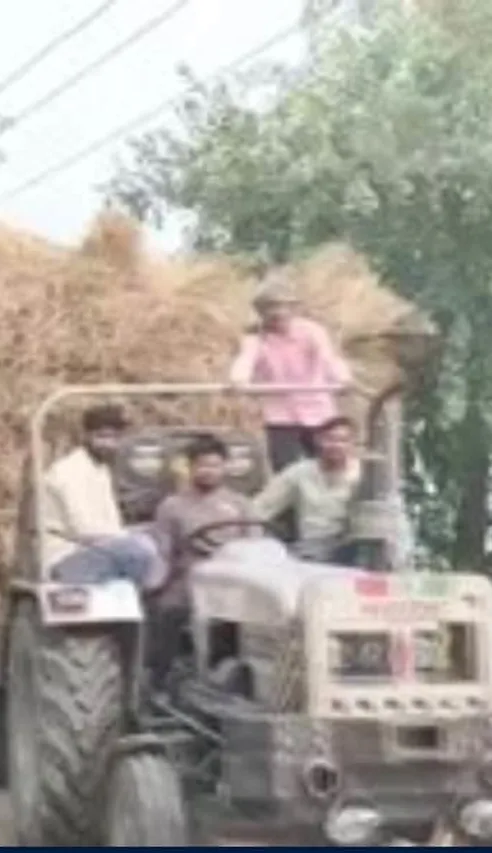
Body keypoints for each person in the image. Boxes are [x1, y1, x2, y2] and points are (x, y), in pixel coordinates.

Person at [145, 433, 257, 691]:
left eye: (215, 465)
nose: (209, 471)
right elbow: (163, 549)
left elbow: (254, 545)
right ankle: (160, 679)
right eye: (202, 465)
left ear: (225, 467)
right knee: (169, 611)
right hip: (189, 575)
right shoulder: (172, 506)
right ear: (191, 467)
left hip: (234, 577)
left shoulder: (240, 504)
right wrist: (158, 582)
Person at [229, 272, 354, 473]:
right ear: (260, 312)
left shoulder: (312, 331)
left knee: (328, 466)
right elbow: (245, 360)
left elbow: (329, 358)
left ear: (293, 309)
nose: (278, 313)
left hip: (318, 410)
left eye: (283, 306)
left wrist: (343, 378)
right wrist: (238, 380)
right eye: (270, 307)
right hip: (281, 415)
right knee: (285, 469)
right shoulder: (255, 338)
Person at [43, 404, 157, 589]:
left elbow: (110, 522)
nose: (108, 444)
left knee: (153, 536)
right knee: (140, 548)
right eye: (101, 437)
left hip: (96, 549)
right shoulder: (69, 472)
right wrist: (126, 539)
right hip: (67, 555)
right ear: (86, 436)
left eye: (114, 438)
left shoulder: (100, 469)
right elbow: (85, 529)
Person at [252, 415, 363, 563]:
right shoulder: (299, 472)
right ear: (318, 440)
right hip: (312, 548)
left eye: (343, 440)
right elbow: (263, 506)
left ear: (353, 444)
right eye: (330, 439)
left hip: (352, 547)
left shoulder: (365, 474)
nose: (336, 445)